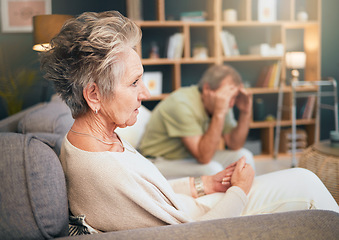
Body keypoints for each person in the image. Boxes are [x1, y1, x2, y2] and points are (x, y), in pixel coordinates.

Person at [40, 11, 339, 233]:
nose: (145, 92)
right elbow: (194, 233)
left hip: (198, 208)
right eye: (134, 83)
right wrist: (240, 190)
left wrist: (204, 184)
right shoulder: (101, 170)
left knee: (302, 177)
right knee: (307, 185)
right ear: (93, 95)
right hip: (208, 222)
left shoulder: (97, 140)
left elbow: (153, 195)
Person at [139, 64, 255, 179]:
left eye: (234, 97)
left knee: (244, 157)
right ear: (207, 89)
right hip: (159, 161)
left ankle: (242, 196)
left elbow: (234, 144)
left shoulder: (223, 102)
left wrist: (245, 112)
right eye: (227, 96)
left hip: (190, 157)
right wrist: (219, 113)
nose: (231, 103)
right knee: (212, 170)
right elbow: (204, 157)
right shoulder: (181, 103)